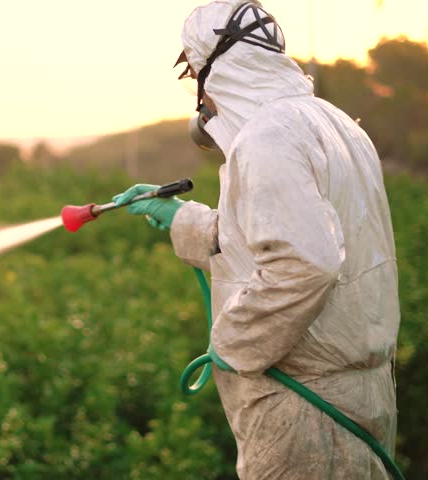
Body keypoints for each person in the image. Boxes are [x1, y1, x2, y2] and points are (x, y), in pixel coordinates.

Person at [113, 1, 401, 478]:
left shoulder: (268, 137)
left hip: (306, 404)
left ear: (217, 70)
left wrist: (234, 343)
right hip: (359, 392)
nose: (201, 99)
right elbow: (283, 234)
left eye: (196, 76)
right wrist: (183, 219)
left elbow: (306, 263)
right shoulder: (333, 123)